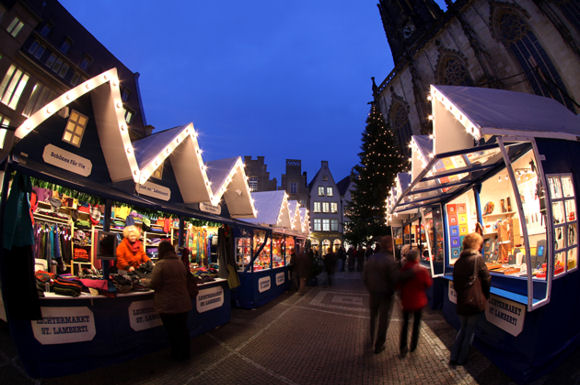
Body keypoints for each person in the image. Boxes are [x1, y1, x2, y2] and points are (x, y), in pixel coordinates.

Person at [449, 232, 491, 366]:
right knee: (470, 332)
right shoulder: (477, 259)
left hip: (462, 301)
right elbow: (486, 278)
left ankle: (454, 356)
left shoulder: (458, 262)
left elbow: (456, 283)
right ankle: (462, 358)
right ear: (476, 245)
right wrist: (486, 295)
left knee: (463, 329)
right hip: (474, 301)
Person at [149, 241, 193, 361]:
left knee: (172, 331)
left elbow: (153, 283)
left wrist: (144, 282)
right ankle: (185, 354)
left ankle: (177, 355)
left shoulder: (161, 264)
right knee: (182, 330)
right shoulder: (179, 263)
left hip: (168, 304)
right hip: (183, 302)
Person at [363, 235, 399, 354]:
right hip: (386, 295)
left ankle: (371, 339)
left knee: (373, 317)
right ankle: (379, 344)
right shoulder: (390, 259)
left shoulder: (372, 258)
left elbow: (365, 276)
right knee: (383, 320)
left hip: (374, 293)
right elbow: (395, 279)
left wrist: (370, 288)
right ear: (390, 246)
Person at [398, 247, 432, 358]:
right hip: (419, 302)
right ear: (417, 258)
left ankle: (403, 347)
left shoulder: (403, 270)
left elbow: (398, 285)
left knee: (405, 324)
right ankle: (413, 345)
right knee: (416, 325)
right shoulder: (422, 270)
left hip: (406, 301)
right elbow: (428, 284)